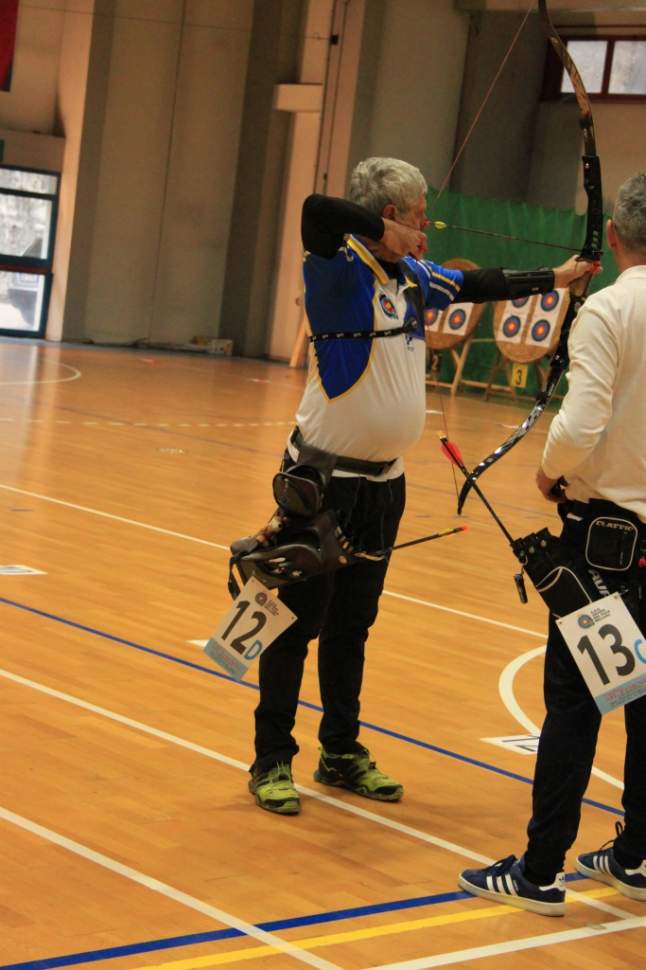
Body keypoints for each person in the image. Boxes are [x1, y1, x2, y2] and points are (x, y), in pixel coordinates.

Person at [248, 156, 596, 815]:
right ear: (386, 218)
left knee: (353, 625)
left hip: (383, 487)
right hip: (322, 480)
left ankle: (341, 750)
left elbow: (479, 285)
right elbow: (318, 211)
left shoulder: (412, 278)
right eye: (417, 219)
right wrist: (384, 230)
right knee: (295, 622)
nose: (426, 234)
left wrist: (559, 277)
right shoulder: (337, 271)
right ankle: (271, 760)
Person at [459, 173, 646, 915]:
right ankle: (635, 856)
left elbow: (579, 425)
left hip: (606, 541)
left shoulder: (610, 307)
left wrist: (546, 471)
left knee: (574, 705)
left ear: (616, 234)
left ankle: (538, 871)